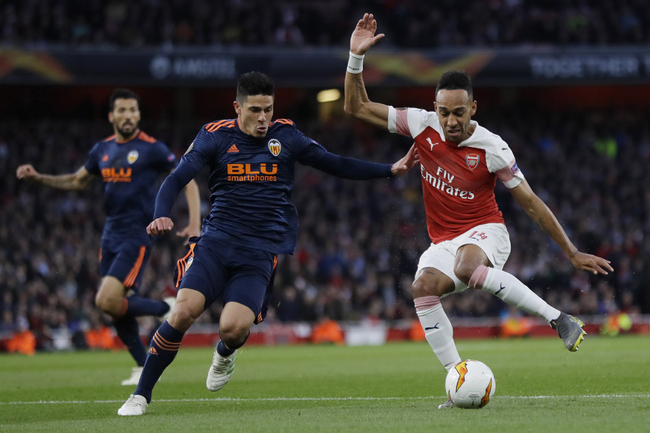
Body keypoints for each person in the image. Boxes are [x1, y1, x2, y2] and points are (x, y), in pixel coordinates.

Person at [343, 13, 614, 408]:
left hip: (487, 232)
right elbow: (356, 107)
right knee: (421, 289)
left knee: (469, 269)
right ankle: (458, 379)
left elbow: (531, 204)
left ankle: (559, 318)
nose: (450, 121)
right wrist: (355, 58)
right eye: (443, 112)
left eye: (458, 112)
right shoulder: (421, 124)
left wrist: (571, 252)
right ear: (434, 107)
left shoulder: (493, 148)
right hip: (444, 240)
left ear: (473, 107)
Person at [117, 71, 419, 416]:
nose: (263, 118)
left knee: (233, 329)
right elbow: (176, 179)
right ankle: (140, 395)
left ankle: (226, 352)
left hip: (258, 252)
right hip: (215, 244)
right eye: (256, 110)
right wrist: (160, 213)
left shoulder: (286, 136)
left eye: (268, 110)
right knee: (183, 311)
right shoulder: (214, 137)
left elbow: (334, 163)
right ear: (237, 107)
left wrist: (389, 170)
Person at [16, 88, 201, 385]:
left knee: (106, 300)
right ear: (111, 116)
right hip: (110, 234)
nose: (128, 116)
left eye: (132, 110)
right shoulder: (101, 149)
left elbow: (186, 179)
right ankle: (144, 364)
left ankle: (165, 307)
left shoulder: (151, 148)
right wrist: (40, 177)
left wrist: (194, 224)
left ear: (139, 115)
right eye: (122, 111)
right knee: (116, 309)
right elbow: (78, 181)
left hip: (137, 234)